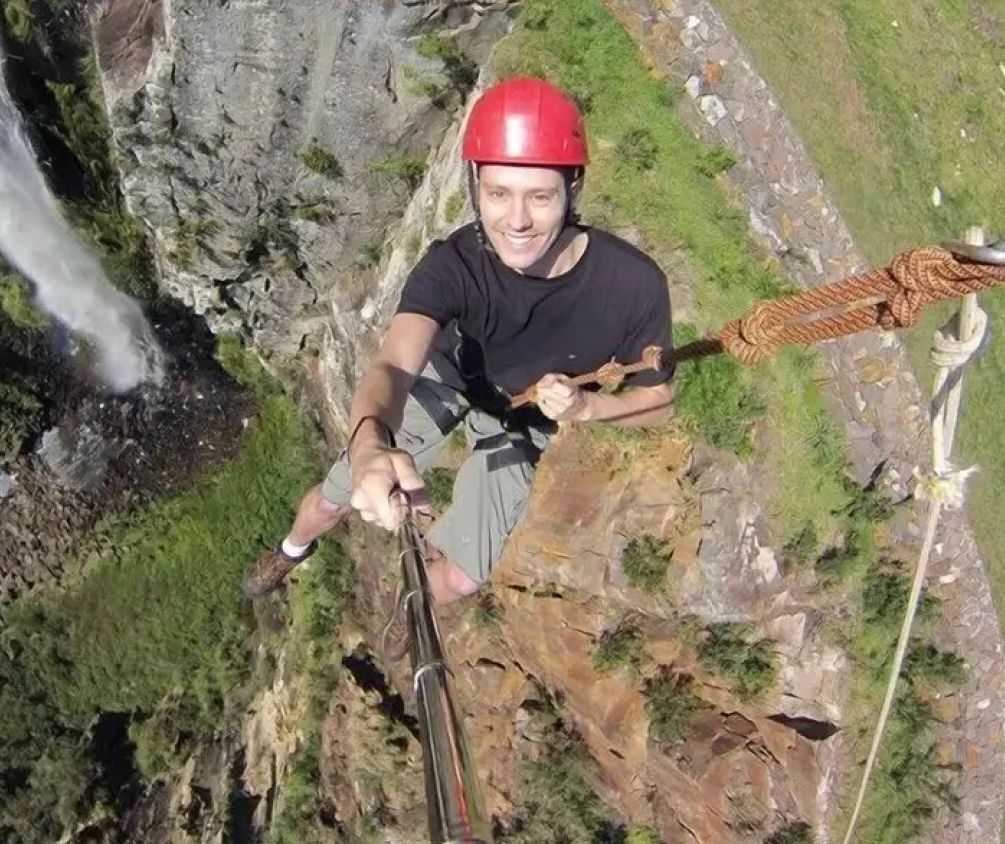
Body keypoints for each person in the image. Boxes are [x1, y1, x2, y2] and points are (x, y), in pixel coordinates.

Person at [241, 76, 678, 621]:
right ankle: (291, 550)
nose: (516, 220)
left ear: (573, 189)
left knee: (466, 576)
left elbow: (657, 399)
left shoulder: (632, 286)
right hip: (448, 378)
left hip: (524, 420)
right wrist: (369, 446)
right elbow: (396, 363)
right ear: (475, 187)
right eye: (498, 194)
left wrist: (590, 408)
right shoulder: (454, 265)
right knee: (336, 496)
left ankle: (410, 613)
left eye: (539, 197)